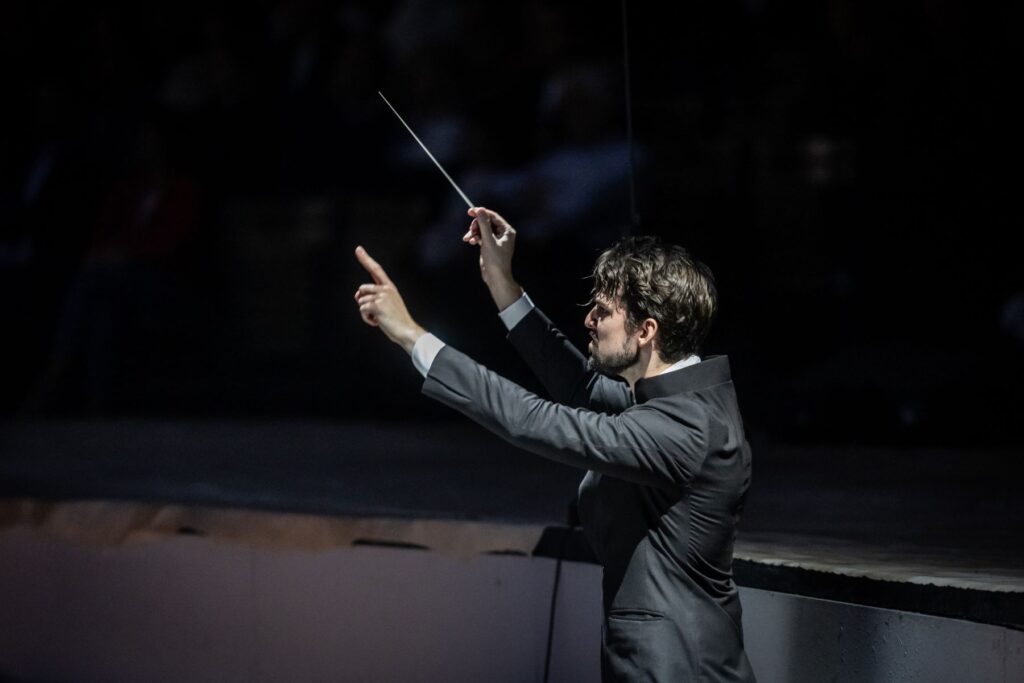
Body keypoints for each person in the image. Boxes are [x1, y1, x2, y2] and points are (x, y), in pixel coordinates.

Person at [353, 207, 756, 682]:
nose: (588, 319)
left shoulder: (684, 428)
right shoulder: (686, 402)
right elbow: (580, 387)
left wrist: (412, 337)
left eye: (603, 312)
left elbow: (532, 420)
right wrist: (501, 282)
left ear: (647, 332)